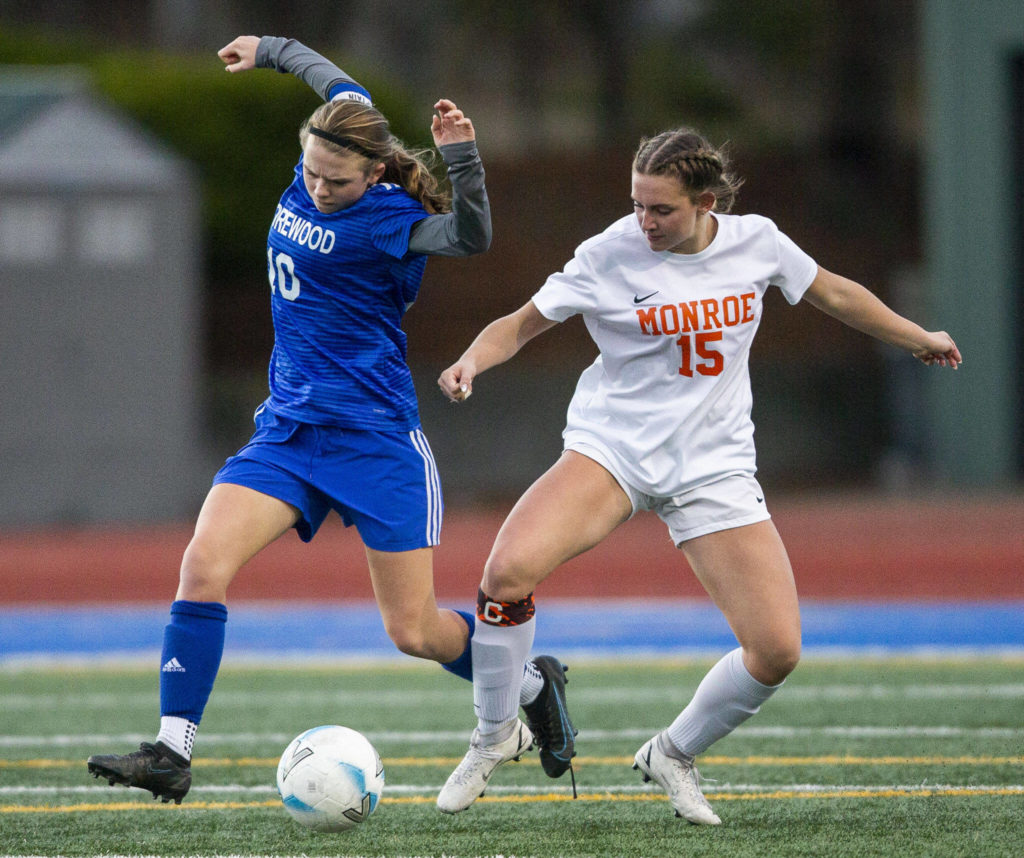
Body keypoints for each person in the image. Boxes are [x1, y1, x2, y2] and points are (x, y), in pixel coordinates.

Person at [86, 35, 576, 805]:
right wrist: (270, 49)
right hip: (287, 433)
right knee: (203, 563)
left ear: (375, 171)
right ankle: (172, 752)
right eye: (310, 170)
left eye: (336, 179)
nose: (317, 186)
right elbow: (331, 79)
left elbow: (473, 237)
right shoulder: (328, 152)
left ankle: (526, 687)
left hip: (375, 440)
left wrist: (463, 157)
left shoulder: (389, 220)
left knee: (413, 631)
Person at [435, 127, 962, 821]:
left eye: (661, 210)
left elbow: (836, 295)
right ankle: (495, 733)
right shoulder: (608, 253)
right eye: (636, 205)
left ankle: (673, 753)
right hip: (613, 451)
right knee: (506, 574)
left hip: (713, 466)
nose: (643, 222)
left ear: (705, 202)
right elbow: (522, 325)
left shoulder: (758, 242)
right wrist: (473, 360)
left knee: (776, 650)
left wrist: (917, 335)